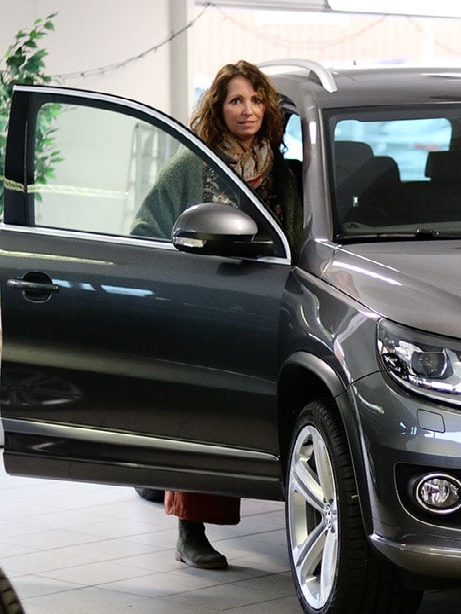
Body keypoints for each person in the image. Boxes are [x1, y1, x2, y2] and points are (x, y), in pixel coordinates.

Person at [132, 60, 301, 569]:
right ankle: (191, 532)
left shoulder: (281, 170)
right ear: (218, 108)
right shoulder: (192, 165)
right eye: (235, 100)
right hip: (204, 308)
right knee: (204, 415)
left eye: (255, 100)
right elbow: (145, 230)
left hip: (266, 305)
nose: (247, 110)